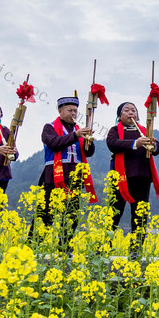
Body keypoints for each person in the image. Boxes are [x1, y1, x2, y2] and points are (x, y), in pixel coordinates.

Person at [107, 101, 159, 254]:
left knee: (139, 214)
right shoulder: (114, 130)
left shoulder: (145, 130)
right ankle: (104, 246)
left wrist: (154, 145)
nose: (131, 113)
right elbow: (112, 144)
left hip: (142, 177)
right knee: (115, 212)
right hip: (120, 176)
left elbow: (157, 149)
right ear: (120, 115)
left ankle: (136, 248)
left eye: (133, 110)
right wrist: (135, 143)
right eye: (127, 110)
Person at [38, 95, 97, 235]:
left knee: (71, 215)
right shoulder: (49, 127)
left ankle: (65, 248)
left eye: (75, 111)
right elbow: (54, 143)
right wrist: (76, 135)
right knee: (45, 213)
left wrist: (88, 141)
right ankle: (34, 246)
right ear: (60, 111)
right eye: (70, 110)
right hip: (53, 176)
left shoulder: (78, 129)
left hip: (75, 177)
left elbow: (88, 153)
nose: (73, 114)